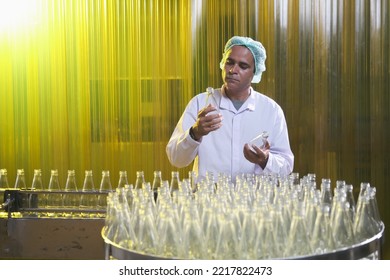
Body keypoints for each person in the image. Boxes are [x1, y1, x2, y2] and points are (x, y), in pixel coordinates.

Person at [166, 36, 294, 183]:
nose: (233, 70)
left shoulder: (271, 110)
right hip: (208, 202)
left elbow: (286, 166)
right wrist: (195, 133)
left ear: (255, 72)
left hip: (252, 202)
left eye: (243, 66)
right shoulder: (200, 103)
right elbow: (176, 159)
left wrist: (265, 161)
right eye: (229, 62)